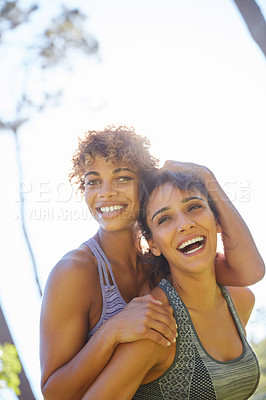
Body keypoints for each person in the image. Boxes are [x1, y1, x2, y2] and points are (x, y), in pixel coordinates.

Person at [40, 126, 264, 400]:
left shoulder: (163, 256)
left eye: (122, 177)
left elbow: (249, 272)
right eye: (93, 181)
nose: (106, 193)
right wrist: (113, 330)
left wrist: (207, 178)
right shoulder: (76, 271)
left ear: (144, 185)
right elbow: (53, 393)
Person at [81, 169, 261, 400]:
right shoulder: (157, 326)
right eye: (164, 219)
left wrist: (207, 177)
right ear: (153, 244)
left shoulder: (240, 300)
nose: (184, 225)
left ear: (217, 220)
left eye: (194, 207)